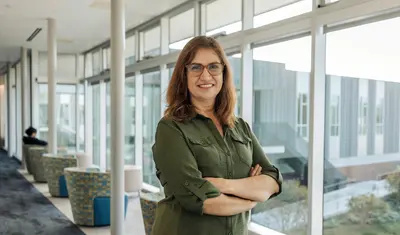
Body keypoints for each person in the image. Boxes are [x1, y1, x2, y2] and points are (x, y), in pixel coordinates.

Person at [151, 36, 283, 235]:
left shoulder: (240, 127)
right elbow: (200, 200)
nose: (205, 76)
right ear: (183, 74)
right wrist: (251, 197)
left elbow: (273, 180)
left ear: (223, 73)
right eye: (196, 67)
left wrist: (221, 184)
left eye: (213, 67)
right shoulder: (171, 128)